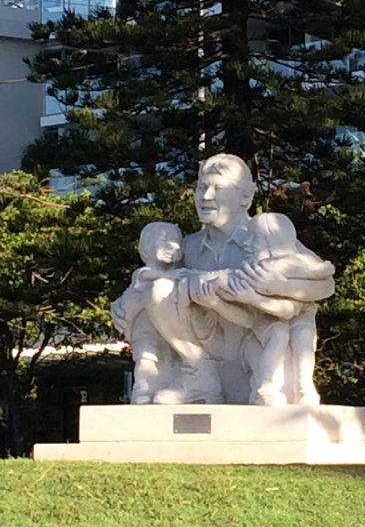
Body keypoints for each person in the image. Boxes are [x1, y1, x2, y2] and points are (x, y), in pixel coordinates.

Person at [134, 153, 335, 404]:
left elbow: (324, 282)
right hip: (209, 343)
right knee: (160, 289)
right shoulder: (189, 247)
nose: (206, 197)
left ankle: (270, 383)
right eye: (201, 187)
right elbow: (153, 290)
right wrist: (128, 307)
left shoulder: (265, 235)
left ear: (246, 196)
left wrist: (278, 285)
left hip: (259, 341)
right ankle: (198, 374)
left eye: (218, 188)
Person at [208, 213, 334, 405]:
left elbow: (320, 278)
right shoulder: (253, 266)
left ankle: (303, 385)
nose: (246, 244)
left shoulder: (289, 259)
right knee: (279, 335)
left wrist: (278, 286)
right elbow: (227, 282)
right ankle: (265, 385)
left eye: (255, 239)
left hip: (295, 314)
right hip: (264, 321)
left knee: (302, 334)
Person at [111, 222, 186, 404]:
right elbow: (146, 279)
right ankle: (142, 388)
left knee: (172, 358)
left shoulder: (182, 274)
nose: (172, 247)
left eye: (176, 242)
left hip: (171, 329)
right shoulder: (144, 274)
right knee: (145, 358)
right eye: (164, 241)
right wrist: (173, 276)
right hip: (145, 328)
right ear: (144, 249)